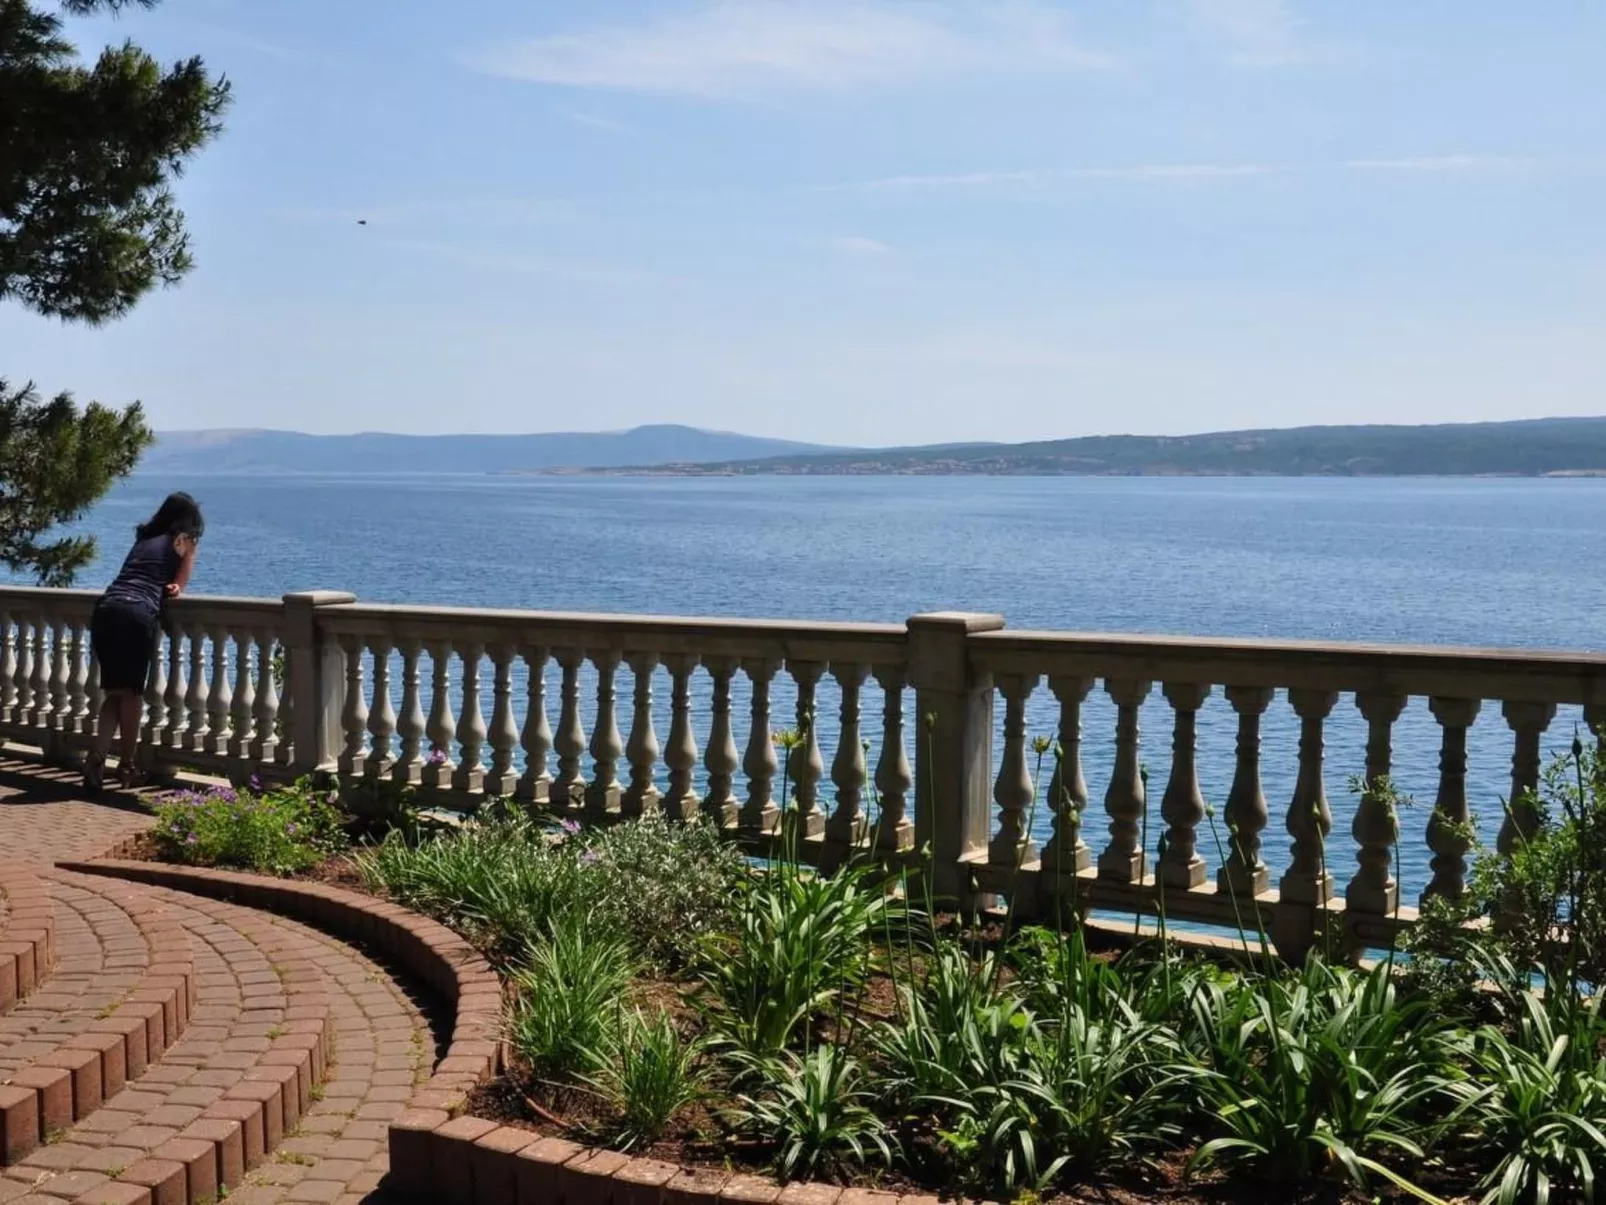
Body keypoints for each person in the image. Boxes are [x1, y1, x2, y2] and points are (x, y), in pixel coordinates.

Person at [83, 492, 204, 793]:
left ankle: (96, 759)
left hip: (107, 608)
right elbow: (178, 585)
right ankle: (127, 766)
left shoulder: (144, 538)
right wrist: (176, 584)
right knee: (132, 695)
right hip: (136, 613)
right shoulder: (184, 539)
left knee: (115, 693)